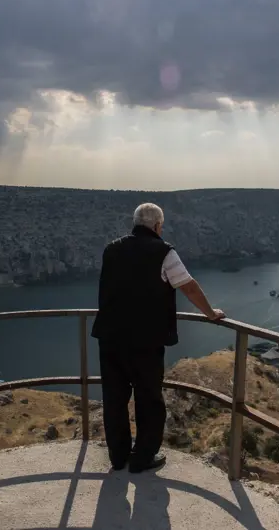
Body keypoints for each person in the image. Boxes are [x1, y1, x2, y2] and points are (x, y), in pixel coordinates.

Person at [91, 203, 226, 473]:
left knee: (114, 398)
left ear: (135, 223)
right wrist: (211, 313)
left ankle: (118, 456)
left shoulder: (111, 249)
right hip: (145, 340)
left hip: (110, 337)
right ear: (157, 226)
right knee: (149, 398)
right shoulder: (164, 252)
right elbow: (188, 286)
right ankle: (143, 457)